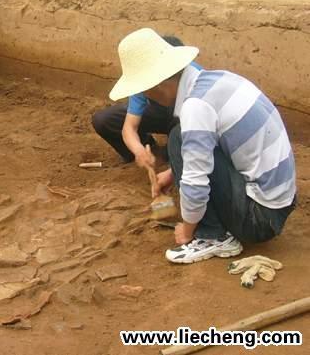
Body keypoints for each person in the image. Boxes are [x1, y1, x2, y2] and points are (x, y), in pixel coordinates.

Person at [109, 28, 296, 263]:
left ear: (156, 85)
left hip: (260, 218)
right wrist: (173, 171)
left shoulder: (195, 106)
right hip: (280, 201)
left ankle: (213, 237)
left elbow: (196, 182)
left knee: (179, 137)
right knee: (183, 139)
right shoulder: (216, 80)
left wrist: (188, 229)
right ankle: (214, 228)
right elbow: (213, 147)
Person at [92, 36, 201, 169]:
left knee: (178, 135)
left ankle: (169, 155)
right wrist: (139, 151)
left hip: (189, 120)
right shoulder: (144, 77)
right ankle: (152, 150)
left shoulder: (195, 82)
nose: (145, 92)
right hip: (163, 114)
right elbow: (129, 127)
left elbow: (200, 132)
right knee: (104, 120)